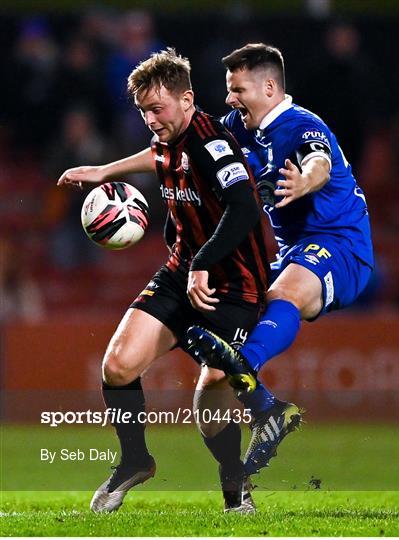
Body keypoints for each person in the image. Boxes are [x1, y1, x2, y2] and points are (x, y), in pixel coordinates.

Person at [57, 48, 270, 513]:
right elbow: (155, 154)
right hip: (182, 272)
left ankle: (235, 488)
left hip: (233, 282)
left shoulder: (212, 144)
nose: (150, 119)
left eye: (157, 108)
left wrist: (204, 263)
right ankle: (135, 460)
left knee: (210, 392)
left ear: (187, 99)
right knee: (117, 366)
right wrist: (105, 171)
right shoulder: (169, 137)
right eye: (143, 111)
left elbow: (244, 208)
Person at [186, 43, 374, 475]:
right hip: (292, 252)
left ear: (269, 87)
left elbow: (319, 164)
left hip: (340, 246)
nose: (230, 99)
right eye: (229, 90)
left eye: (238, 89)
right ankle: (245, 458)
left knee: (282, 293)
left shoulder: (302, 125)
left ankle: (250, 384)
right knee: (218, 358)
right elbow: (182, 148)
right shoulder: (239, 126)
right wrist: (106, 171)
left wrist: (305, 183)